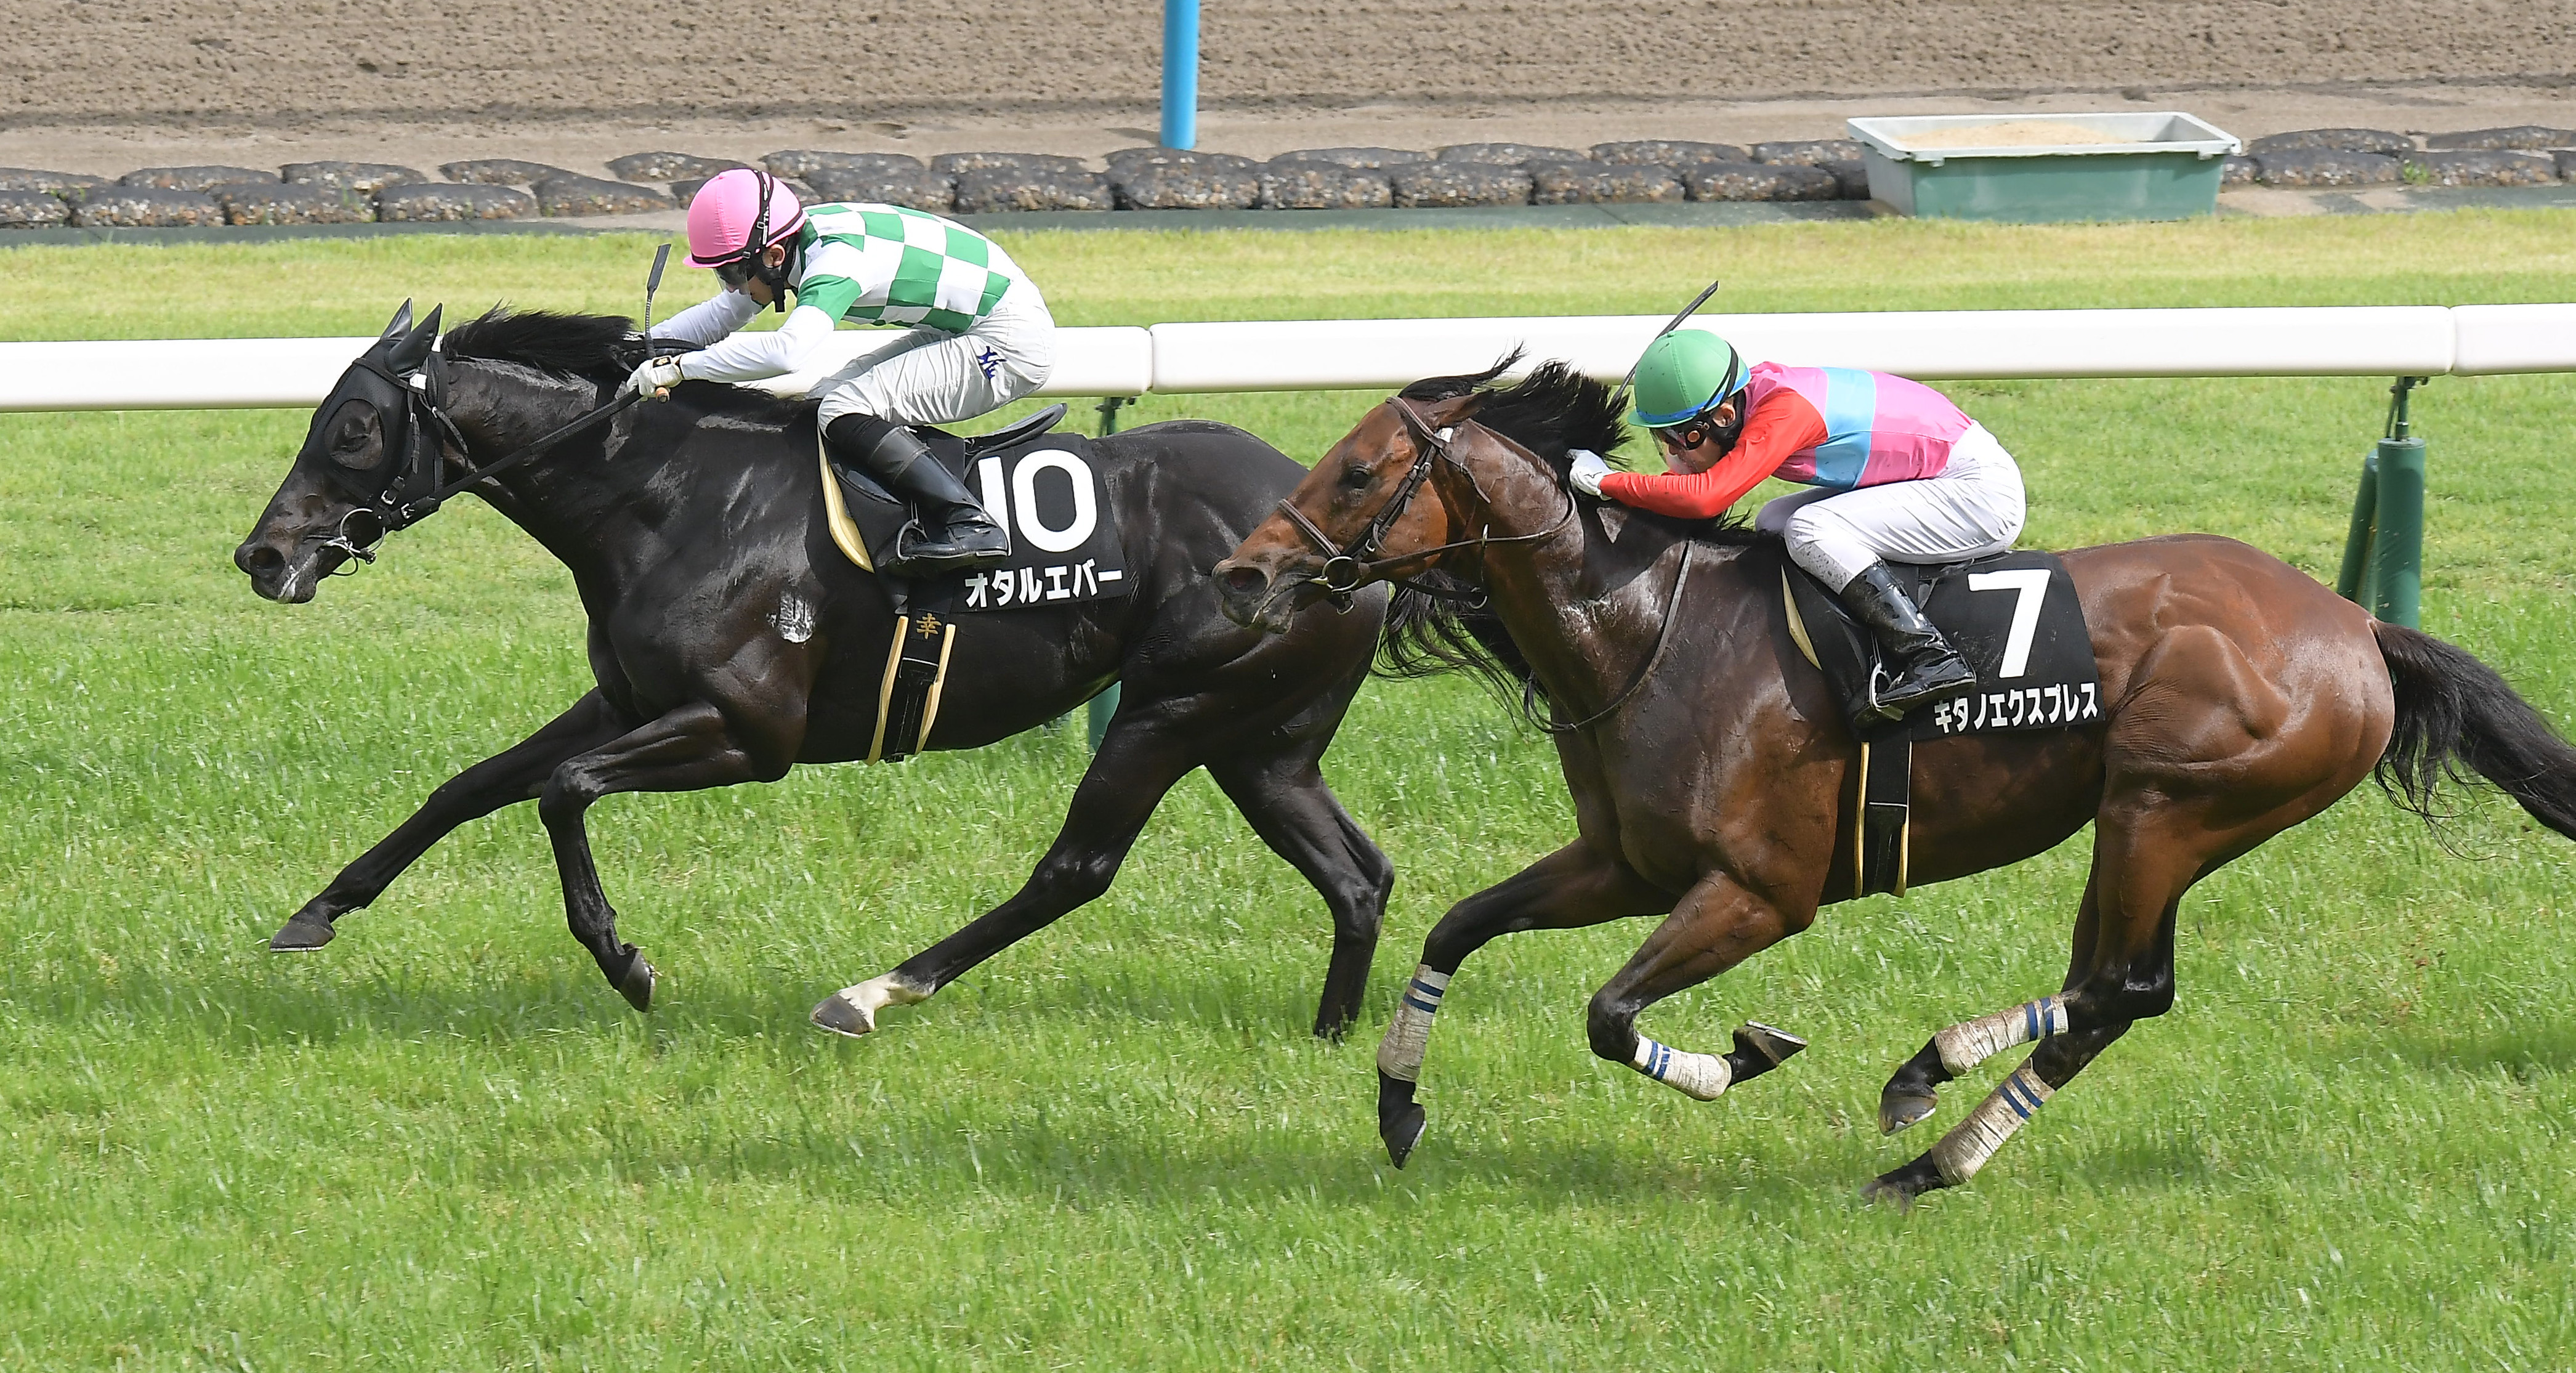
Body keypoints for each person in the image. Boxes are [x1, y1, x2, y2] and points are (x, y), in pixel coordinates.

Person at [1567, 330, 2027, 719]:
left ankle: (1928, 655)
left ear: (1725, 417)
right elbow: (1688, 485)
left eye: (1681, 437)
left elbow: (1705, 497)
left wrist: (1608, 482)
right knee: (1774, 520)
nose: (1674, 453)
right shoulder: (1751, 399)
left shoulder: (1783, 411)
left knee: (1810, 528)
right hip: (1937, 475)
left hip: (1978, 494)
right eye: (1660, 438)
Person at [626, 169, 1057, 576]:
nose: (733, 286)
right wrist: (630, 348)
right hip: (966, 324)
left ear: (773, 255)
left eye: (732, 272)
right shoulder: (788, 242)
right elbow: (718, 318)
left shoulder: (835, 260)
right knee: (818, 406)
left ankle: (970, 524)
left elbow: (787, 353)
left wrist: (680, 368)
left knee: (844, 407)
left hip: (1008, 342)